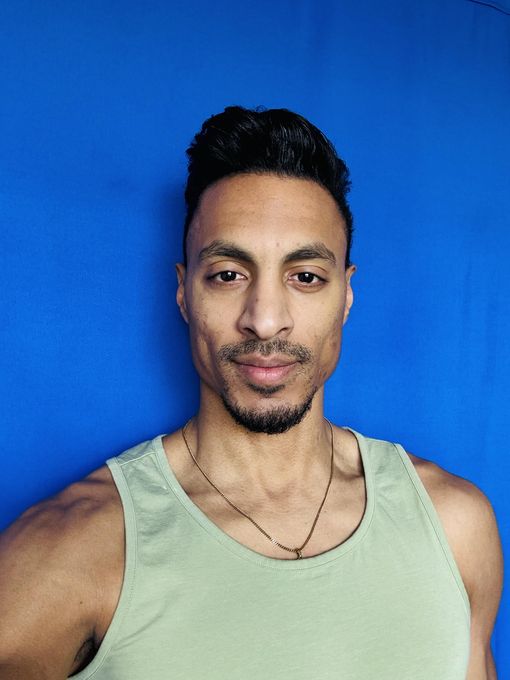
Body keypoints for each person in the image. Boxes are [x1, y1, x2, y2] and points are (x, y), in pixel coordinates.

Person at [0, 106, 503, 680]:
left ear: (345, 296)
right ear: (185, 293)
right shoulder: (77, 547)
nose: (264, 320)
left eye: (305, 276)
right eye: (228, 274)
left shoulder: (454, 526)